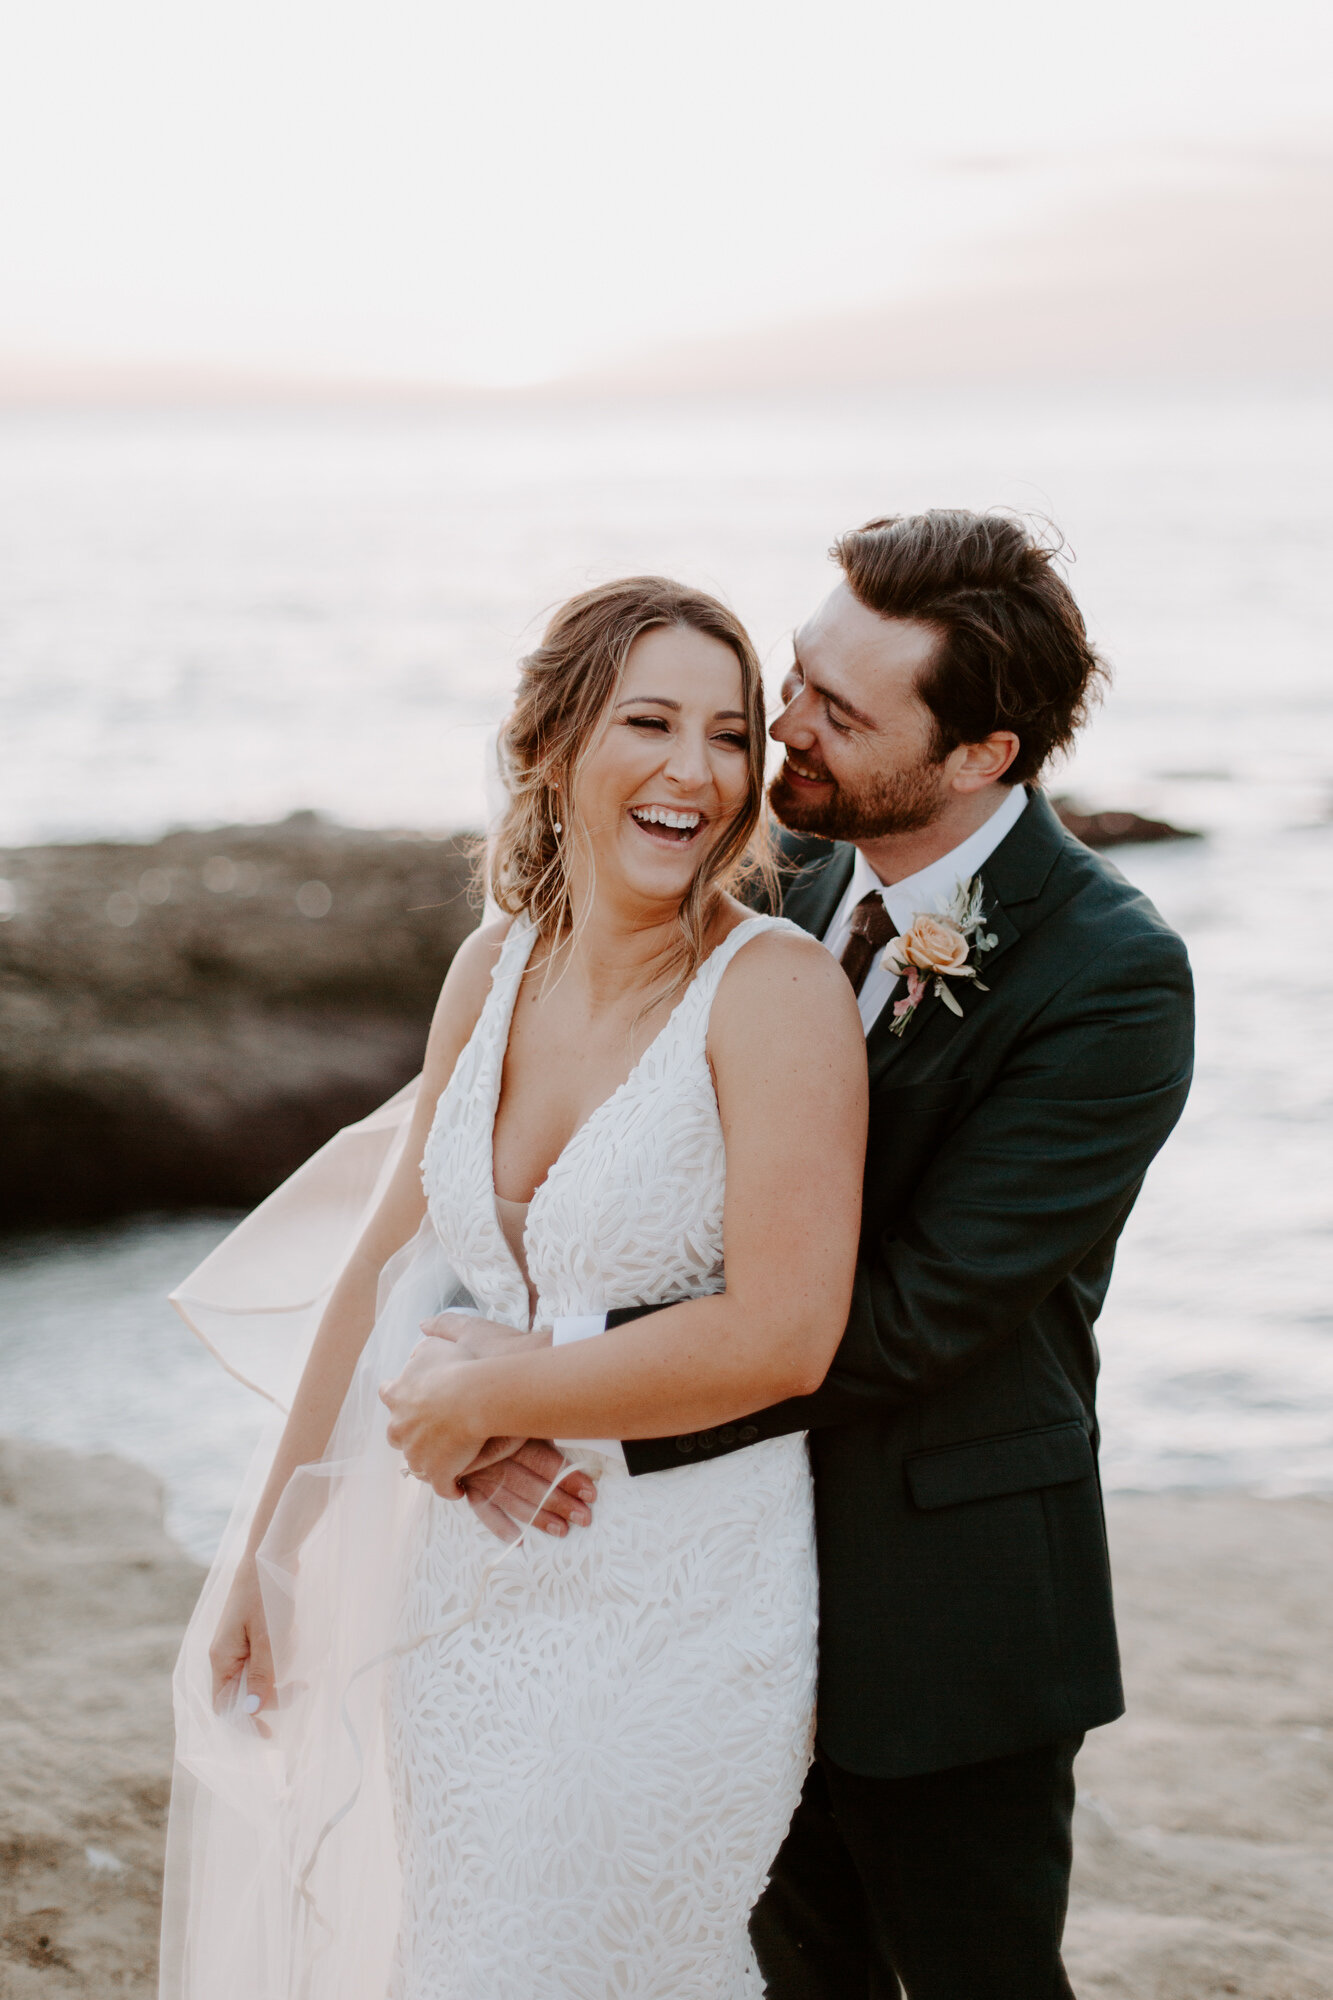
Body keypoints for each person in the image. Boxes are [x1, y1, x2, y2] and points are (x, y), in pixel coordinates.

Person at [459, 512, 1196, 1999]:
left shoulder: (1109, 976)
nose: (774, 731)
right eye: (795, 678)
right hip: (719, 1579)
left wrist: (563, 1399)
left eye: (834, 713)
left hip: (943, 1589)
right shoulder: (762, 879)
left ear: (981, 755)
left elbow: (919, 1316)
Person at [170, 575, 867, 2000]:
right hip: (469, 1598)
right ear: (550, 748)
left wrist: (489, 1393)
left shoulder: (773, 991)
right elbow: (383, 1266)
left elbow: (786, 1336)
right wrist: (271, 1547)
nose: (696, 770)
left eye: (730, 735)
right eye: (651, 722)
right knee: (461, 1947)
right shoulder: (492, 966)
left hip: (683, 1599)